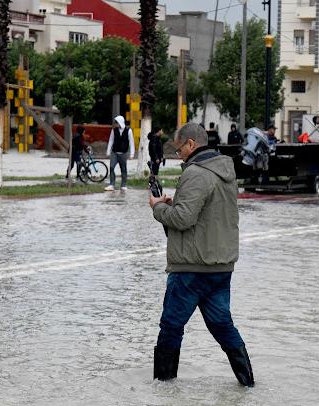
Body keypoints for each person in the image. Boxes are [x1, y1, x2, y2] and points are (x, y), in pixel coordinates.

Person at [148, 122, 254, 387]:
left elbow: (183, 219)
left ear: (191, 145)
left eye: (178, 148)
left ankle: (163, 390)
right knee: (223, 326)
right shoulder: (224, 171)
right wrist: (177, 205)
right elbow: (206, 213)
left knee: (171, 327)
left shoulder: (195, 173)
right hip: (220, 267)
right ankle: (248, 384)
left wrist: (158, 208)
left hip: (191, 269)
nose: (177, 154)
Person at [105, 115, 135, 191]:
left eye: (116, 122)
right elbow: (111, 140)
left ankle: (123, 185)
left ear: (120, 123)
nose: (114, 124)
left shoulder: (129, 130)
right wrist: (108, 151)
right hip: (114, 152)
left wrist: (132, 154)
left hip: (124, 153)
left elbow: (131, 142)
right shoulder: (114, 130)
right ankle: (112, 184)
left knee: (123, 169)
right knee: (111, 167)